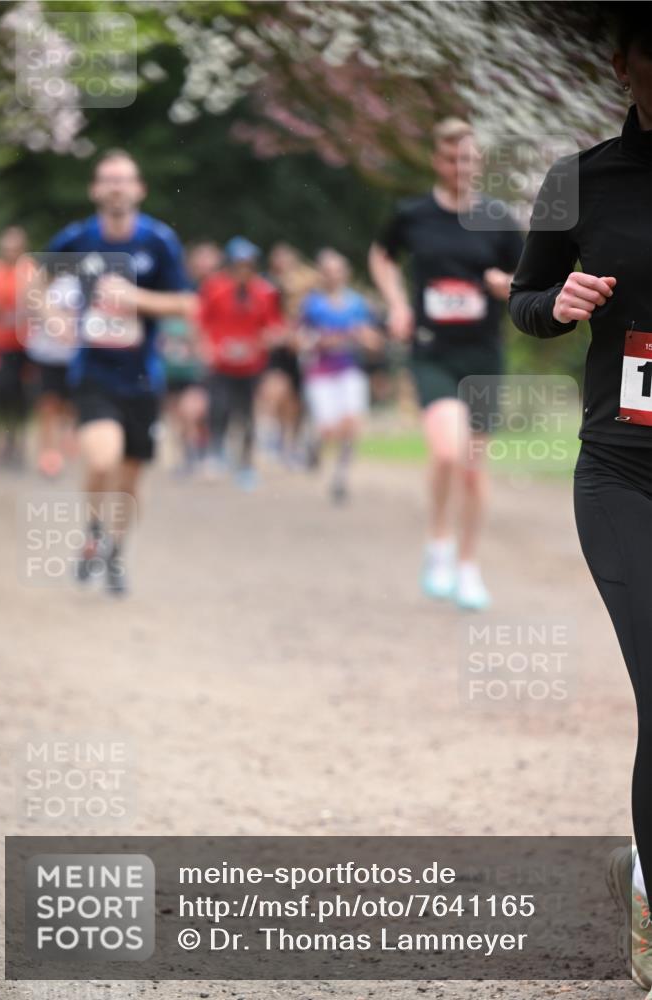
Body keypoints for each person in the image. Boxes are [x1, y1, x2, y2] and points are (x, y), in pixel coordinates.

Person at [509, 11, 652, 994]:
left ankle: (638, 867)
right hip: (624, 470)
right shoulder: (581, 177)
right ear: (623, 62)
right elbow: (525, 297)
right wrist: (555, 307)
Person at [369, 118, 523, 610]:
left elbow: (527, 278)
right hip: (432, 348)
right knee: (447, 453)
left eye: (470, 159)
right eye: (453, 159)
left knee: (473, 469)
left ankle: (468, 564)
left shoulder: (499, 218)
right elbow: (381, 255)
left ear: (479, 163)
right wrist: (396, 303)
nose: (462, 167)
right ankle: (438, 541)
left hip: (482, 353)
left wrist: (507, 283)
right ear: (438, 160)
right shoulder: (413, 214)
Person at [44, 148, 195, 593]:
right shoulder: (75, 238)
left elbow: (186, 302)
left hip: (143, 375)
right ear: (95, 189)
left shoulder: (159, 241)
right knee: (102, 456)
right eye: (107, 179)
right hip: (93, 370)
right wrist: (55, 319)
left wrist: (136, 299)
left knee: (130, 477)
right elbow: (37, 285)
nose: (115, 186)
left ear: (139, 189)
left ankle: (114, 550)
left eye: (124, 179)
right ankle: (93, 531)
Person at [198, 236, 284, 490]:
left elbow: (273, 324)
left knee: (247, 415)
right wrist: (208, 348)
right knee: (219, 407)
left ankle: (245, 464)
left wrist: (269, 338)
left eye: (248, 264)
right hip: (220, 364)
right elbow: (202, 321)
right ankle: (215, 453)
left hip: (251, 364)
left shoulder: (265, 291)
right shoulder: (214, 288)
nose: (243, 269)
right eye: (239, 264)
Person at [300, 248, 380, 503]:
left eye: (337, 271)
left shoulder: (358, 303)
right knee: (328, 429)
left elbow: (373, 340)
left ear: (345, 274)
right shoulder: (312, 304)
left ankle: (340, 476)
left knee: (351, 424)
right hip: (321, 373)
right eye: (328, 271)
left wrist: (364, 338)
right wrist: (318, 341)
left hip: (350, 370)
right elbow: (300, 338)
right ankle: (315, 443)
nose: (333, 276)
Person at [159, 244, 220, 475]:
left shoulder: (219, 291)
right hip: (172, 362)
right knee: (178, 414)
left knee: (193, 410)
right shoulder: (176, 286)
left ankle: (203, 452)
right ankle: (187, 455)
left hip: (199, 363)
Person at [258, 242, 318, 464]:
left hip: (302, 351)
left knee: (295, 401)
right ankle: (272, 435)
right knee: (276, 389)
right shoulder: (268, 289)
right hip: (280, 350)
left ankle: (290, 444)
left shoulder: (308, 289)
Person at [0, 226, 35, 466]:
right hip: (1, 345)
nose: (10, 252)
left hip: (26, 347)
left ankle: (19, 444)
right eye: (6, 247)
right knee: (2, 394)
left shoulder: (31, 271)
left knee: (22, 396)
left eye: (14, 248)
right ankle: (1, 443)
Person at [25, 271, 79, 478]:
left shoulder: (83, 282)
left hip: (74, 357)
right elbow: (32, 308)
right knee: (47, 405)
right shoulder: (43, 283)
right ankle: (48, 453)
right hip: (47, 356)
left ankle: (68, 437)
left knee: (70, 407)